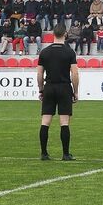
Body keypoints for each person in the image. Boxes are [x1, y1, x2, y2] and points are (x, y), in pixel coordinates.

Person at [36, 24, 80, 161]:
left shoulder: (44, 52)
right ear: (65, 34)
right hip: (64, 87)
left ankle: (44, 153)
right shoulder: (69, 52)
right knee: (64, 122)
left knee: (45, 121)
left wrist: (41, 90)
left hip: (49, 87)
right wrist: (76, 91)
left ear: (53, 34)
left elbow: (39, 74)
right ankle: (65, 154)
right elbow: (75, 74)